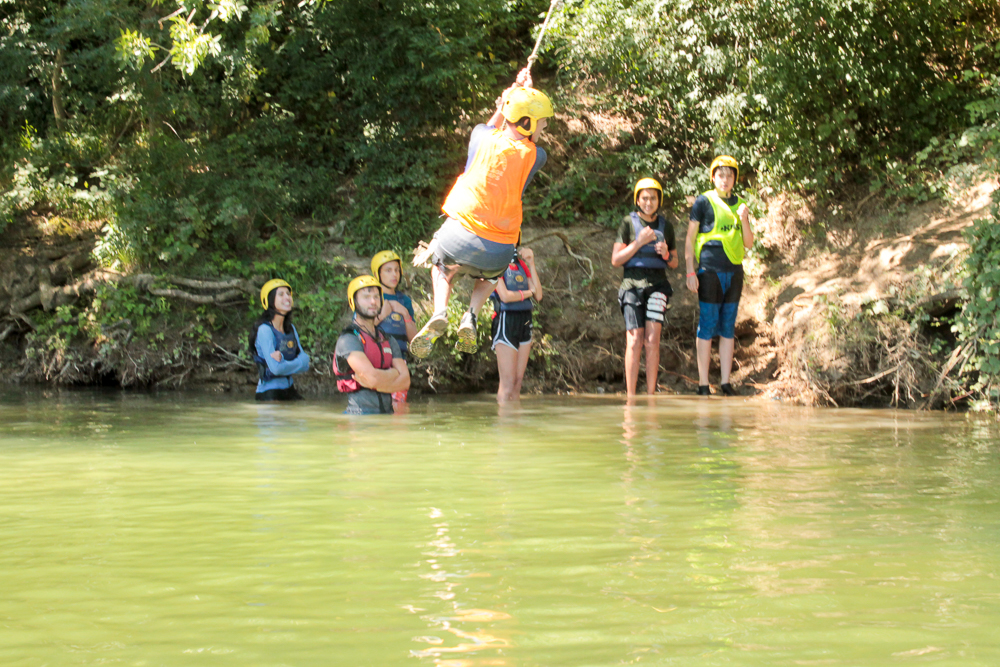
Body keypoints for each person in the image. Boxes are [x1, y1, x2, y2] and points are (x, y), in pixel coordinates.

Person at [409, 70, 553, 359]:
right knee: (489, 276)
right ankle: (471, 315)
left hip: (460, 235)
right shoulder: (535, 156)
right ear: (527, 122)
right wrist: (523, 92)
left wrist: (514, 93)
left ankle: (440, 311)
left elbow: (498, 121)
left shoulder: (480, 136)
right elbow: (519, 127)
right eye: (542, 124)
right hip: (500, 249)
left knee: (441, 264)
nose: (543, 129)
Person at [684, 156, 755, 396]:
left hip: (734, 272)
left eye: (729, 175)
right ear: (713, 177)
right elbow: (690, 238)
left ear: (735, 179)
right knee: (707, 323)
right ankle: (703, 383)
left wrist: (744, 218)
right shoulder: (703, 201)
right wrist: (690, 271)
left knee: (728, 326)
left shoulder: (741, 204)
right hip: (709, 271)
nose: (725, 180)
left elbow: (748, 243)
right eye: (721, 175)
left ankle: (725, 382)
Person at [611, 178, 678, 396]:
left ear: (659, 200)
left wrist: (666, 254)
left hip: (658, 286)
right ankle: (631, 397)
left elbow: (674, 262)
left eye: (653, 198)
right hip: (632, 286)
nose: (649, 202)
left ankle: (650, 396)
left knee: (652, 341)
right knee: (634, 340)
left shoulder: (666, 226)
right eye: (645, 198)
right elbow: (616, 259)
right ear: (638, 200)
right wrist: (638, 242)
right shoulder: (627, 223)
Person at [333, 275, 410, 415]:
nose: (373, 301)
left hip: (387, 415)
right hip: (359, 415)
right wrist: (393, 374)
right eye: (366, 297)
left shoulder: (388, 339)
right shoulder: (349, 339)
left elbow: (405, 382)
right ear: (354, 302)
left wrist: (377, 381)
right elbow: (371, 378)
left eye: (376, 296)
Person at [490, 246, 543, 403]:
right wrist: (528, 293)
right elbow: (505, 296)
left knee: (517, 383)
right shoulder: (495, 264)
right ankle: (505, 425)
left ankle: (515, 424)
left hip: (525, 320)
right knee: (507, 385)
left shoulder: (521, 265)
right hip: (506, 320)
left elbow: (538, 294)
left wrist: (531, 264)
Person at [249, 278, 310, 401]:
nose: (287, 297)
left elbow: (306, 363)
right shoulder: (265, 330)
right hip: (269, 393)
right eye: (281, 294)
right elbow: (275, 369)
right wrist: (298, 362)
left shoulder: (290, 328)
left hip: (290, 389)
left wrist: (284, 363)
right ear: (270, 301)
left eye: (288, 294)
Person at [371, 250, 416, 406]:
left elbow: (413, 339)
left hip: (399, 362)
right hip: (376, 361)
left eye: (397, 270)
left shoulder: (405, 301)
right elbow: (357, 330)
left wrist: (405, 314)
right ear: (378, 274)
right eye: (388, 270)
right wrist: (382, 315)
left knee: (398, 409)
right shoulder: (370, 298)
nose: (394, 275)